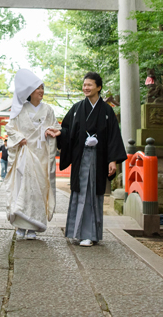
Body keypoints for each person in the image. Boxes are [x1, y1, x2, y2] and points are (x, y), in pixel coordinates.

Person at [47, 71, 126, 247]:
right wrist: (60, 133)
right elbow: (67, 129)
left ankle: (90, 234)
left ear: (99, 87)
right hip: (81, 157)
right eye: (84, 85)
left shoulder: (107, 111)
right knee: (80, 192)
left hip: (98, 158)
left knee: (93, 194)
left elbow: (113, 136)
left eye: (89, 85)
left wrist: (112, 160)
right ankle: (76, 232)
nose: (86, 88)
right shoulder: (77, 109)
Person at [5, 69, 60, 240]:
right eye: (38, 88)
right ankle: (21, 225)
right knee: (23, 187)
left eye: (42, 88)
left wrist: (53, 131)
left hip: (42, 155)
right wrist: (19, 138)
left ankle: (34, 227)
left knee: (39, 189)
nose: (41, 91)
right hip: (25, 154)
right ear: (29, 91)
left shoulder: (48, 110)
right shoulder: (20, 110)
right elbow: (10, 128)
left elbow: (56, 127)